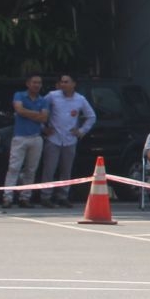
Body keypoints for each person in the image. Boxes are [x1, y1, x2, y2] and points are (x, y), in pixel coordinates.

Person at [41, 74, 95, 208]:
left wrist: (81, 131)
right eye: (62, 82)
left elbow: (91, 116)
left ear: (73, 84)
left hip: (70, 139)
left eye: (66, 82)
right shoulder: (52, 96)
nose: (63, 84)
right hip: (53, 138)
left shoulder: (80, 99)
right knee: (49, 169)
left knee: (66, 170)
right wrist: (43, 128)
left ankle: (63, 196)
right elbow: (40, 110)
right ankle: (45, 196)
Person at [3, 75, 50, 209]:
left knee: (31, 169)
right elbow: (19, 110)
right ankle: (7, 197)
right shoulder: (19, 95)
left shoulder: (43, 100)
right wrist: (36, 114)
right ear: (28, 84)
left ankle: (25, 197)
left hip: (36, 137)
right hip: (20, 137)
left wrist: (26, 113)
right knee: (14, 168)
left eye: (39, 83)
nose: (37, 85)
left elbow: (44, 118)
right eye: (34, 82)